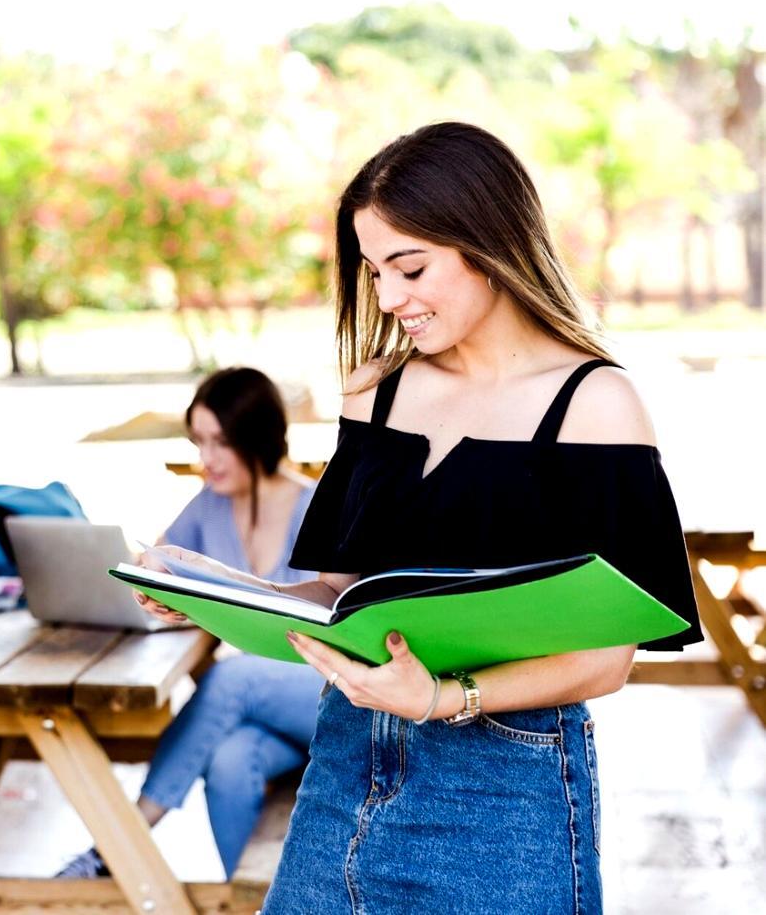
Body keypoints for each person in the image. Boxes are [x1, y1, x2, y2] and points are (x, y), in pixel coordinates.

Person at [134, 122, 701, 913]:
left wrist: (440, 697)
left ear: (489, 242)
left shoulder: (596, 406)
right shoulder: (377, 391)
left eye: (410, 267)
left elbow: (606, 657)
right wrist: (205, 582)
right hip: (344, 767)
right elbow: (338, 595)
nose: (389, 298)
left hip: (506, 794)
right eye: (373, 272)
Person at [60, 366, 324, 880]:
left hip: (325, 692)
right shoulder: (208, 505)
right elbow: (156, 564)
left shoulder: (314, 507)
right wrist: (154, 588)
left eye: (220, 443)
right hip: (266, 708)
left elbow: (327, 621)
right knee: (227, 760)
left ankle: (120, 843)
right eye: (198, 441)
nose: (206, 459)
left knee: (233, 677)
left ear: (259, 437)